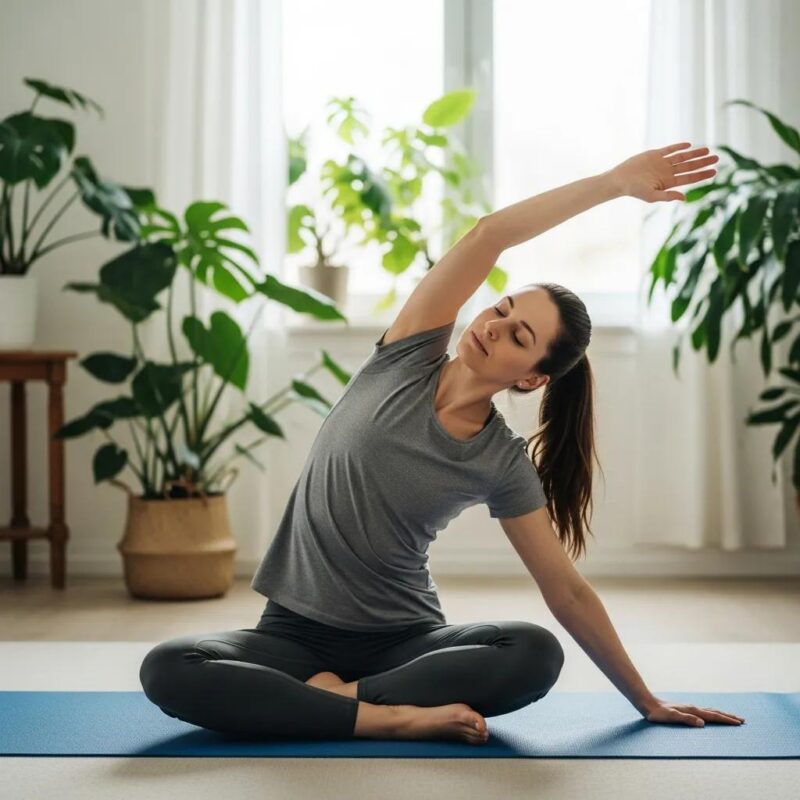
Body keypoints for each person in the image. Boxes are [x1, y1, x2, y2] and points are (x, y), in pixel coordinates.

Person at [140, 142, 745, 742]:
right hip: (289, 635)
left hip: (405, 648)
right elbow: (489, 235)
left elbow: (565, 590)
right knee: (167, 668)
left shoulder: (501, 460)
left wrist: (646, 700)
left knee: (533, 653)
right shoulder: (405, 355)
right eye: (501, 310)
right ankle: (385, 717)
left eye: (518, 335)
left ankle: (339, 704)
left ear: (533, 376)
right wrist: (612, 183)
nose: (492, 326)